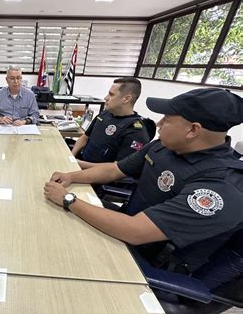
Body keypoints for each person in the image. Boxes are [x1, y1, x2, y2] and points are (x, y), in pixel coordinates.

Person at [44, 88, 243, 274]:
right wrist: (71, 176)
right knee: (51, 228)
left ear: (192, 130)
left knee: (59, 263)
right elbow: (115, 170)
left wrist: (68, 200)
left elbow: (135, 231)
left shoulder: (220, 187)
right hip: (124, 229)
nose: (158, 124)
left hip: (148, 263)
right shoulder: (164, 147)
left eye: (167, 119)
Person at [71, 77, 152, 169]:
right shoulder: (105, 114)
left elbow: (117, 169)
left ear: (126, 99)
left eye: (111, 94)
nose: (106, 98)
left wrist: (78, 164)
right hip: (81, 163)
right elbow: (85, 137)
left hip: (98, 177)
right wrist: (71, 157)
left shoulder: (136, 132)